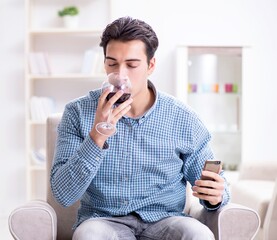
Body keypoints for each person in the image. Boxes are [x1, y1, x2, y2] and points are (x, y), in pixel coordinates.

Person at [50, 16, 230, 240]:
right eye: (112, 63)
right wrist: (97, 135)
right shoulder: (77, 112)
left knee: (199, 235)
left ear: (150, 65)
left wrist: (216, 195)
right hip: (104, 221)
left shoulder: (183, 118)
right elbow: (64, 195)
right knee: (89, 235)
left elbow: (213, 187)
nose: (121, 75)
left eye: (132, 65)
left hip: (166, 220)